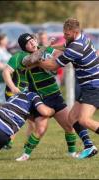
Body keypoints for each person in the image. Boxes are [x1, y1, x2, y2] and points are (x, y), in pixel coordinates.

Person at [24, 18, 99, 159]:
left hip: (94, 86)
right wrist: (46, 47)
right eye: (64, 33)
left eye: (67, 34)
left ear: (75, 32)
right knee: (72, 118)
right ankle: (89, 146)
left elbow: (53, 65)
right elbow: (64, 46)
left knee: (84, 120)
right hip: (87, 85)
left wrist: (37, 62)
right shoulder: (79, 38)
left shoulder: (76, 47)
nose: (65, 36)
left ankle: (90, 146)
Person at [0, 91, 55, 162]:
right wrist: (53, 110)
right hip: (2, 131)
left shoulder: (18, 95)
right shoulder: (34, 95)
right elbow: (45, 112)